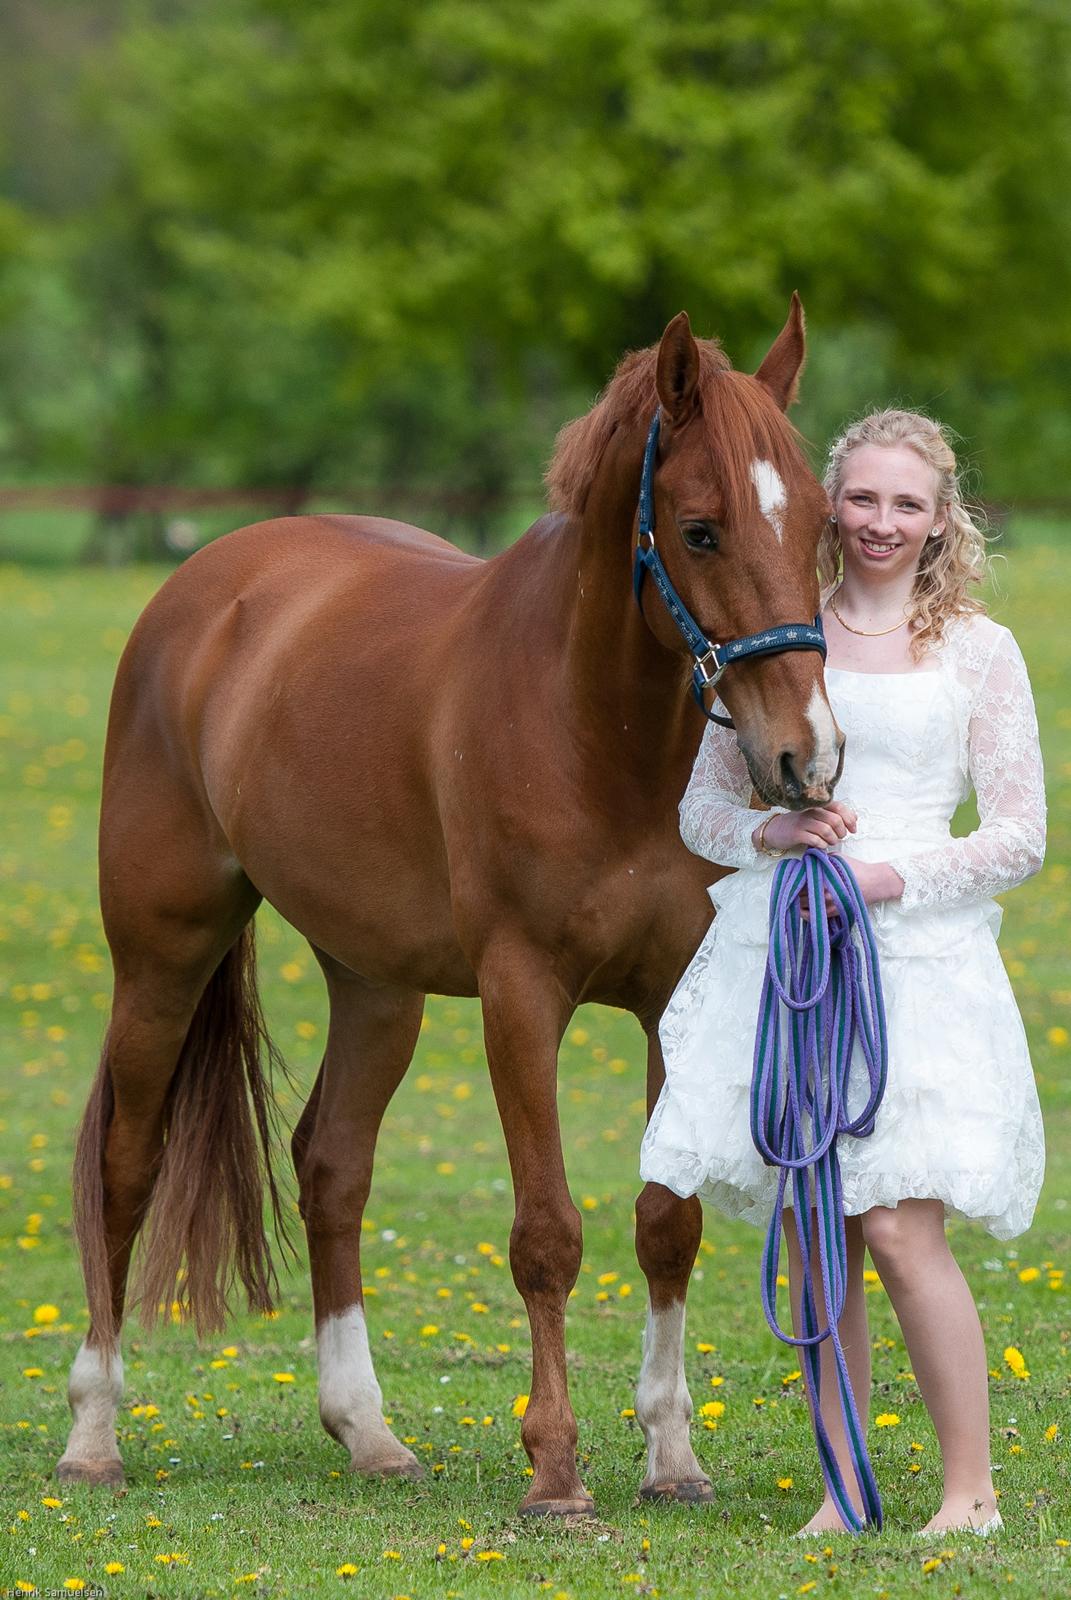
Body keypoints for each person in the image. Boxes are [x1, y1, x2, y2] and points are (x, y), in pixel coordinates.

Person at [640, 408, 1046, 1536]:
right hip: (790, 957)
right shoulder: (784, 637)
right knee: (816, 1233)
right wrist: (772, 839)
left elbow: (1021, 831)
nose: (880, 521)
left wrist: (888, 878)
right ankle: (843, 1483)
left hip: (916, 957)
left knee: (903, 1231)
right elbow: (702, 809)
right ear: (830, 505)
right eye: (861, 499)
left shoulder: (978, 651)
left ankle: (971, 1490)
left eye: (905, 503)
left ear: (938, 518)